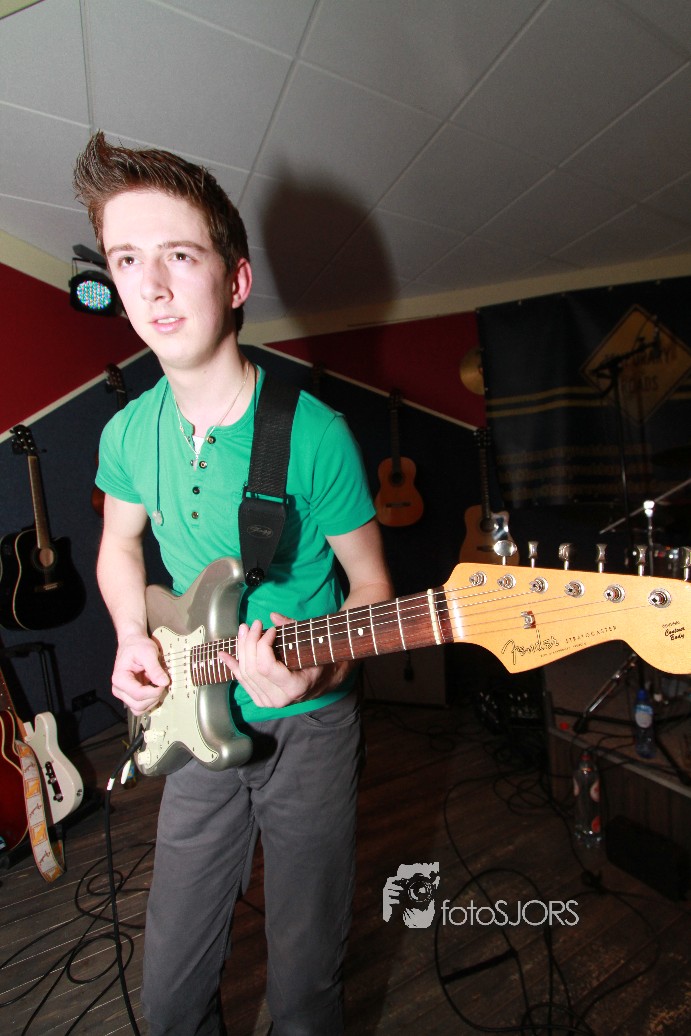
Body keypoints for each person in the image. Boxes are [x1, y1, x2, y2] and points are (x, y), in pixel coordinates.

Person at [74, 132, 393, 1036]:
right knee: (170, 994)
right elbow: (118, 547)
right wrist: (131, 638)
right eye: (126, 260)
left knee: (304, 984)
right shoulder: (125, 434)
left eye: (179, 256)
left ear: (237, 280)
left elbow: (372, 588)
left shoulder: (314, 433)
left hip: (307, 728)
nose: (152, 287)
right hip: (192, 715)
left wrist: (319, 670)